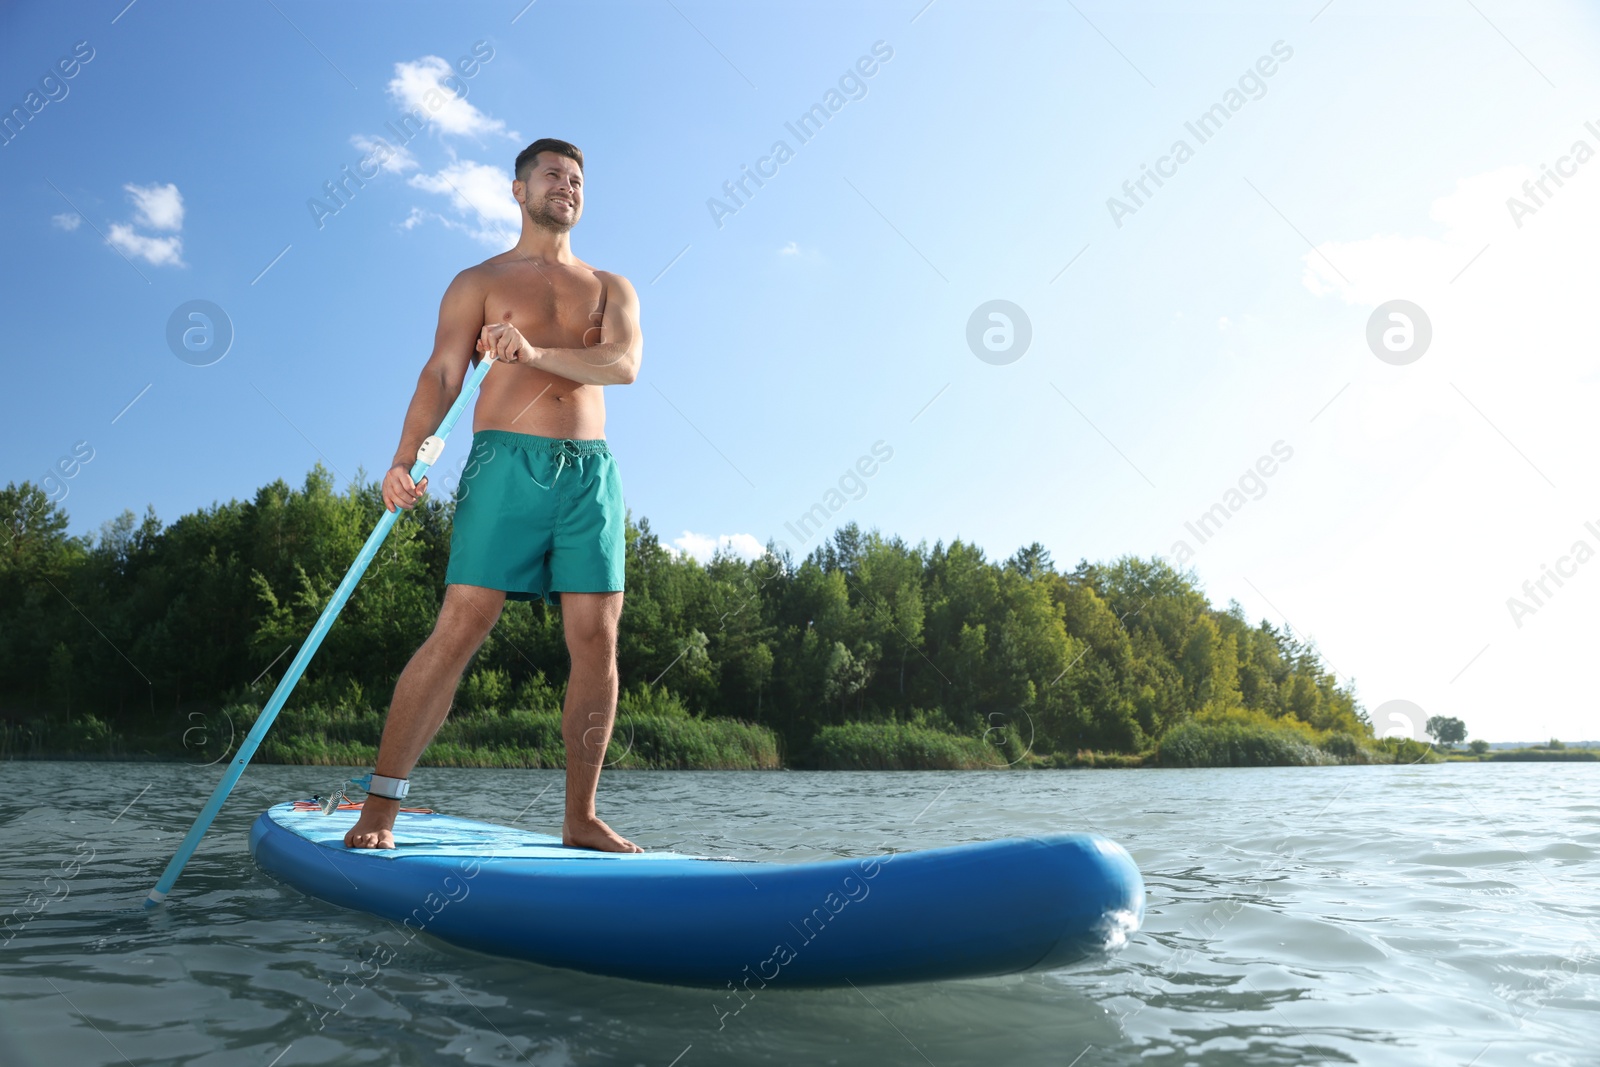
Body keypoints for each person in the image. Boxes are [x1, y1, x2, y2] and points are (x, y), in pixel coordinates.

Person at [342, 138, 644, 853]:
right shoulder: (477, 280)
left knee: (598, 639)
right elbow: (442, 375)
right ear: (519, 190)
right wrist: (402, 459)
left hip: (589, 474)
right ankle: (379, 809)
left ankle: (580, 816)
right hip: (503, 465)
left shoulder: (611, 287)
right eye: (551, 175)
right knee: (462, 625)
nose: (565, 186)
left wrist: (538, 352)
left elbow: (623, 364)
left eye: (575, 178)